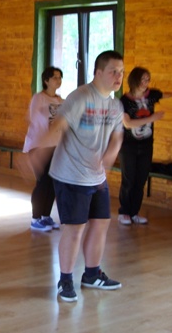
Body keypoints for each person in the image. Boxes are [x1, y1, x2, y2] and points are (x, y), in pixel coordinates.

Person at [49, 50, 125, 303]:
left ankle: (92, 274)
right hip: (70, 175)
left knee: (101, 223)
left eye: (121, 72)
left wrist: (111, 154)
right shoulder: (80, 97)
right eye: (113, 71)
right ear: (98, 72)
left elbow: (117, 136)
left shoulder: (115, 105)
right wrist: (37, 153)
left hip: (96, 177)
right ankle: (65, 280)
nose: (118, 76)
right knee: (74, 229)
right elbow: (58, 125)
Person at [117, 67, 172, 225]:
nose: (146, 82)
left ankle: (134, 212)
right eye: (143, 79)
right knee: (129, 179)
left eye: (148, 79)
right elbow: (128, 124)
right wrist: (152, 118)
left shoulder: (151, 95)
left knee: (141, 179)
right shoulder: (124, 101)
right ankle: (124, 212)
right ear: (135, 80)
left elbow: (164, 95)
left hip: (146, 145)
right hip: (128, 146)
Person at [23, 66, 64, 232]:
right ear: (46, 80)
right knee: (42, 183)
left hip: (56, 147)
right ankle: (35, 218)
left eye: (60, 77)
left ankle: (46, 216)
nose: (58, 80)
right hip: (38, 146)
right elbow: (34, 120)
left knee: (53, 183)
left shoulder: (60, 100)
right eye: (55, 77)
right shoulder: (39, 98)